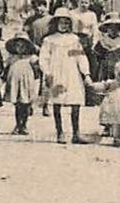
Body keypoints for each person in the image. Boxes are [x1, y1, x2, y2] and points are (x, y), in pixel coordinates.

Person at [38, 10, 90, 144]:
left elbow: (80, 56)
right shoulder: (49, 40)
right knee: (57, 102)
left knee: (75, 101)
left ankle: (76, 133)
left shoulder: (74, 39)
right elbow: (44, 58)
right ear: (56, 23)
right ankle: (59, 132)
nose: (64, 25)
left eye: (67, 23)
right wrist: (47, 72)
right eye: (61, 22)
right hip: (56, 73)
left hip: (71, 72)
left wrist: (86, 73)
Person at [4, 32, 40, 135]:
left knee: (25, 105)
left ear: (27, 46)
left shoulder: (32, 58)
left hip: (27, 84)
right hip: (14, 84)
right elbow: (5, 71)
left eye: (23, 46)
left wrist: (36, 87)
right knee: (17, 105)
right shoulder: (12, 58)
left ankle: (24, 125)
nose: (20, 48)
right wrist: (1, 80)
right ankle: (17, 125)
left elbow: (37, 74)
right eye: (17, 46)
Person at [94, 15, 120, 81]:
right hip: (105, 69)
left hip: (119, 68)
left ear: (119, 28)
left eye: (116, 28)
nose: (113, 30)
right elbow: (98, 56)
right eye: (110, 28)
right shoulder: (103, 40)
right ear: (107, 29)